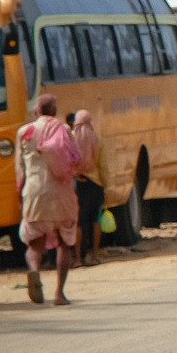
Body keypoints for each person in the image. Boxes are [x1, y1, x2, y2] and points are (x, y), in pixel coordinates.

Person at [16, 93, 80, 305]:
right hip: (62, 193)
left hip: (34, 192)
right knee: (64, 243)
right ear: (55, 111)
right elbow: (75, 160)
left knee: (35, 244)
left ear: (36, 110)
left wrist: (20, 195)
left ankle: (34, 270)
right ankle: (59, 294)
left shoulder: (24, 132)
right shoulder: (64, 130)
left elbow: (20, 170)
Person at [71, 110, 106, 266]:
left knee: (79, 222)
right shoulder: (98, 140)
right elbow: (104, 167)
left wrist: (74, 173)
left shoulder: (71, 139)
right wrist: (105, 185)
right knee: (96, 220)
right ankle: (94, 255)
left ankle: (78, 258)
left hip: (78, 185)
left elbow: (66, 162)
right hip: (96, 184)